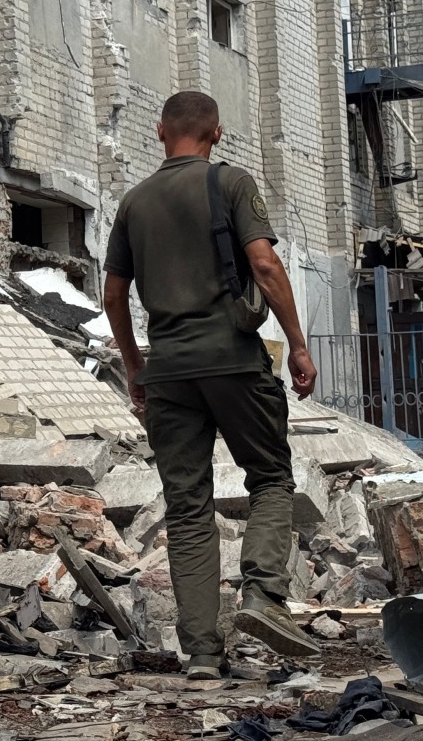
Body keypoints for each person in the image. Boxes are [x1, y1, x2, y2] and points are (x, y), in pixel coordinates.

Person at [102, 91, 320, 680]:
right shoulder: (232, 184)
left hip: (168, 373)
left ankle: (201, 653)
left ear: (158, 133)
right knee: (271, 476)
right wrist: (297, 343)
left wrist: (134, 366)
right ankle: (262, 595)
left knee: (188, 507)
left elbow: (113, 296)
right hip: (233, 362)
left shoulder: (133, 203)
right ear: (217, 134)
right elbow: (266, 265)